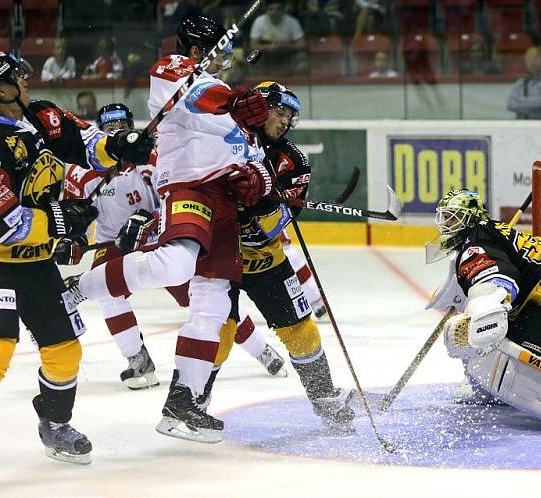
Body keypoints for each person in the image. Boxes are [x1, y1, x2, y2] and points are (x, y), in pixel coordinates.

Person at [63, 15, 272, 444]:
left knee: (213, 306)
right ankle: (79, 288)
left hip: (225, 204)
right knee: (176, 262)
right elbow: (200, 97)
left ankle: (183, 404)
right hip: (188, 186)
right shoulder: (171, 70)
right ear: (198, 51)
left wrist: (258, 181)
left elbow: (255, 159)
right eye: (222, 53)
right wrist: (235, 101)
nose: (229, 62)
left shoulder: (233, 107)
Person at [0, 52, 154, 482]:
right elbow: (9, 224)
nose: (27, 80)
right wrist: (65, 221)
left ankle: (55, 423)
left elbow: (86, 145)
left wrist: (121, 146)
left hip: (37, 261)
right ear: (1, 90)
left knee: (65, 351)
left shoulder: (44, 115)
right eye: (17, 77)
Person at [59, 103, 289, 387]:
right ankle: (138, 361)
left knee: (207, 302)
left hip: (160, 238)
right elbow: (75, 221)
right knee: (109, 294)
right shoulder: (81, 173)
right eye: (110, 128)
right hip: (114, 244)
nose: (117, 132)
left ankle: (260, 350)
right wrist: (72, 241)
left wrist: (152, 221)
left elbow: (175, 199)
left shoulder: (155, 156)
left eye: (122, 126)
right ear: (101, 132)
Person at [197, 81, 353, 432]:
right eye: (279, 112)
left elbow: (281, 221)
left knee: (302, 331)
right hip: (219, 257)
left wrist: (261, 205)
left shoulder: (293, 161)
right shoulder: (220, 139)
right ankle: (194, 401)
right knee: (218, 331)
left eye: (290, 117)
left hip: (265, 258)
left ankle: (324, 397)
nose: (284, 122)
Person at [427, 189, 541, 436]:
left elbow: (498, 280)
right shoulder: (484, 233)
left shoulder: (475, 246)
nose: (447, 223)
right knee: (487, 339)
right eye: (446, 217)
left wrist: (486, 309)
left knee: (494, 343)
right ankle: (487, 387)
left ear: (470, 218)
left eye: (455, 217)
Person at [249, 0, 309, 75]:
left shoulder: (292, 22)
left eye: (278, 9)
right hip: (266, 55)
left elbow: (302, 44)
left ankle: (296, 83)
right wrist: (268, 47)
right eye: (271, 9)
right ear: (266, 10)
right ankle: (260, 83)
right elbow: (253, 45)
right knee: (253, 58)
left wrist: (287, 46)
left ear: (283, 10)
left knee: (302, 59)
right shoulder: (259, 21)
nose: (274, 12)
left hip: (288, 54)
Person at [507, 47, 541, 119]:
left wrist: (521, 101)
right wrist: (533, 104)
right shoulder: (520, 83)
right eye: (529, 59)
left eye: (536, 58)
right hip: (521, 127)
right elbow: (510, 105)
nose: (532, 62)